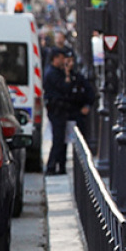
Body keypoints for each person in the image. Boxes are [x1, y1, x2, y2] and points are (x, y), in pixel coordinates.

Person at [43, 47, 82, 176]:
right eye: (61, 58)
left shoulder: (56, 72)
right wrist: (66, 73)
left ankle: (60, 165)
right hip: (57, 110)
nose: (63, 60)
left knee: (61, 140)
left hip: (60, 110)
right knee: (58, 140)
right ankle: (52, 166)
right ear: (55, 58)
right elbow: (65, 88)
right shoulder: (53, 73)